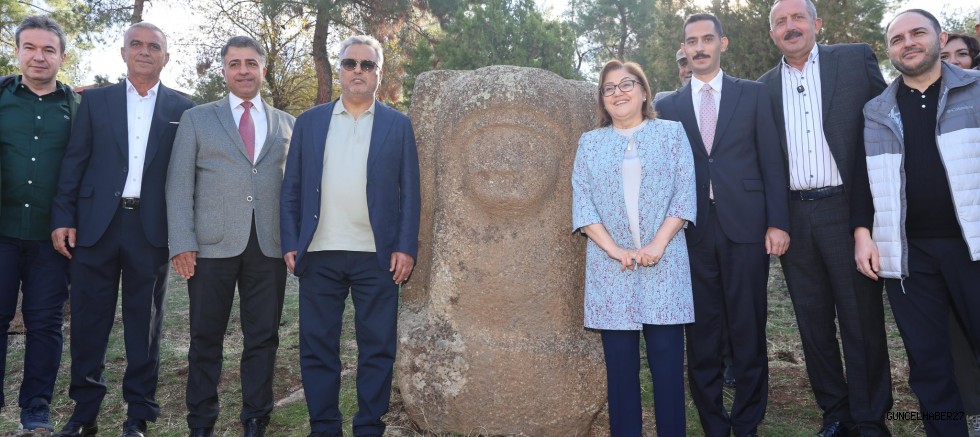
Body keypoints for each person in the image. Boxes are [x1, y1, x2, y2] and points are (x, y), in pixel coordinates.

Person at [49, 22, 195, 437]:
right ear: (123, 52)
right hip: (94, 227)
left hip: (151, 229)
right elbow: (74, 161)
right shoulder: (95, 102)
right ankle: (84, 413)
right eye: (137, 44)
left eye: (154, 46)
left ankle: (138, 415)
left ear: (166, 57)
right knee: (88, 322)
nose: (144, 51)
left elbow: (186, 176)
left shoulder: (184, 109)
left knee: (144, 325)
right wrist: (63, 216)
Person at [756, 1, 892, 436]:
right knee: (812, 321)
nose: (790, 26)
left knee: (861, 317)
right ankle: (835, 411)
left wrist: (870, 218)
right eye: (780, 22)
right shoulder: (763, 88)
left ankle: (870, 418)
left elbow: (887, 125)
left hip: (847, 209)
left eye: (798, 18)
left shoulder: (854, 60)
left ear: (816, 23)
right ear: (772, 34)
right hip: (794, 216)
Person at [656, 13, 790, 437]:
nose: (699, 47)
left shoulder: (752, 95)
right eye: (691, 41)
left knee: (748, 327)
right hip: (691, 231)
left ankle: (747, 421)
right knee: (702, 332)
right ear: (684, 49)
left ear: (722, 43)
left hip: (748, 228)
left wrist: (778, 222)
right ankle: (713, 422)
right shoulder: (667, 106)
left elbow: (772, 160)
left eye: (707, 39)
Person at [279, 34, 419, 437]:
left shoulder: (398, 125)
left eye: (367, 65)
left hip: (376, 256)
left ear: (379, 72)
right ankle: (324, 427)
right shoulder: (310, 122)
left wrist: (405, 246)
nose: (358, 71)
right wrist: (291, 241)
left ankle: (369, 427)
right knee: (317, 347)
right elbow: (292, 187)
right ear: (339, 69)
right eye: (350, 63)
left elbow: (410, 191)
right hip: (319, 253)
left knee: (377, 348)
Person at [855, 9, 980, 437]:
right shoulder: (877, 111)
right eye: (896, 38)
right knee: (928, 364)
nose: (907, 43)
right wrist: (862, 233)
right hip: (909, 255)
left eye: (917, 33)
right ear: (889, 50)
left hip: (973, 247)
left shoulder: (976, 91)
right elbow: (864, 182)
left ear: (939, 38)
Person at [166, 36, 294, 437]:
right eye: (235, 63)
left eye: (251, 63)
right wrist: (182, 242)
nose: (243, 70)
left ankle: (256, 416)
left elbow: (294, 189)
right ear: (224, 70)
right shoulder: (197, 119)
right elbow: (178, 184)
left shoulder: (288, 124)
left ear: (263, 69)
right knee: (206, 337)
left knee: (263, 336)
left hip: (268, 246)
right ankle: (201, 418)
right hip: (211, 247)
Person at [572, 59, 696, 436]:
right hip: (612, 269)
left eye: (627, 84)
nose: (618, 93)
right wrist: (614, 250)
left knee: (668, 368)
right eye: (609, 88)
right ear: (602, 100)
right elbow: (583, 203)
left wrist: (658, 244)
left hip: (665, 262)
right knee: (621, 373)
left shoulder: (672, 134)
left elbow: (684, 194)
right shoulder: (590, 143)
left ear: (644, 92)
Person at [0, 15, 78, 433]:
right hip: (2, 232)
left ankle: (36, 409)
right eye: (30, 47)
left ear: (62, 57)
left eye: (49, 49)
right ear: (17, 52)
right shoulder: (1, 96)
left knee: (45, 324)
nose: (39, 56)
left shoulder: (77, 108)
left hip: (54, 238)